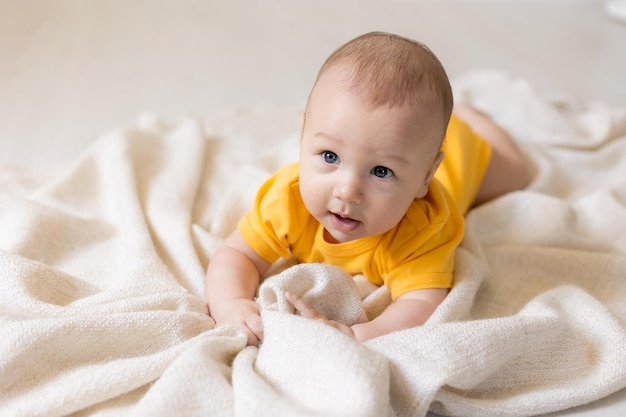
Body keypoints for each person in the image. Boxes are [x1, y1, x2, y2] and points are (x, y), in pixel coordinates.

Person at [204, 31, 529, 346]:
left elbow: (421, 303)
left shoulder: (423, 229)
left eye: (381, 171)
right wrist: (231, 303)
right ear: (303, 135)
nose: (347, 191)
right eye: (330, 156)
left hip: (464, 154)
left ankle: (471, 117)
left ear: (425, 176)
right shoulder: (286, 199)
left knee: (518, 174)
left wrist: (358, 335)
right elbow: (236, 254)